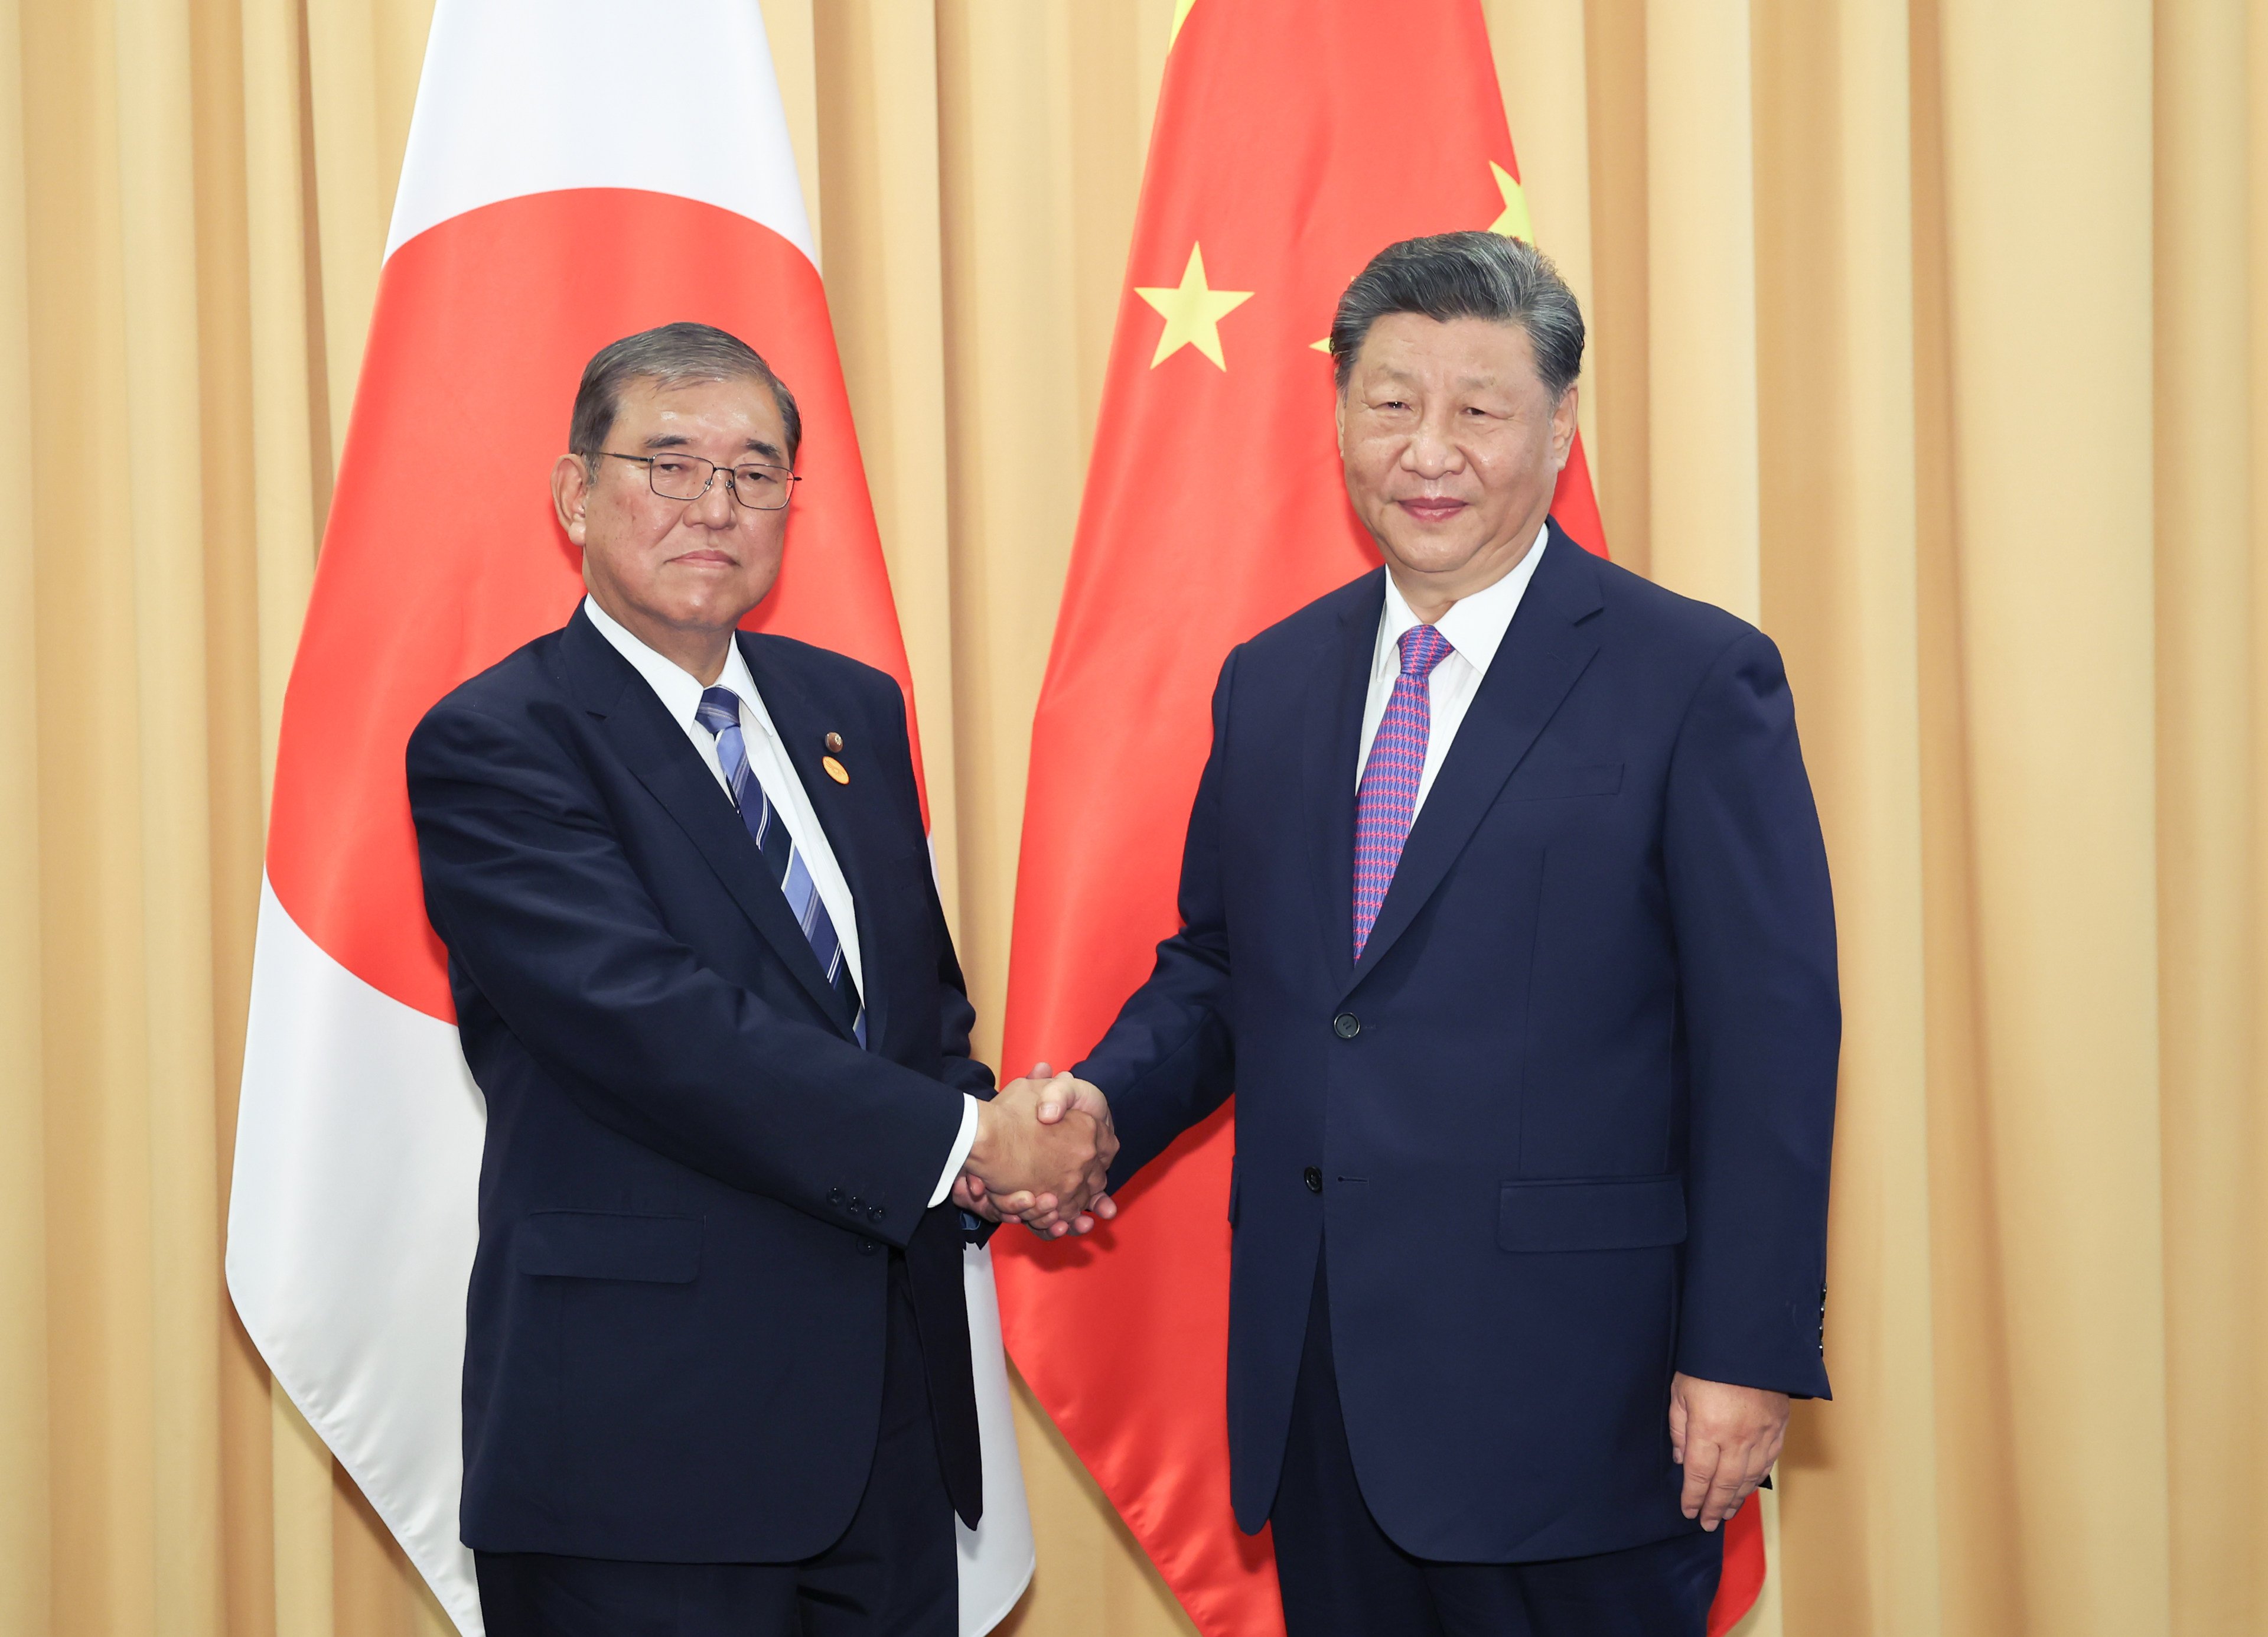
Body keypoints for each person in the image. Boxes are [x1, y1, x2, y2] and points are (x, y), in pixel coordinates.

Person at [1008, 233, 1839, 1636]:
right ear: (1339, 415)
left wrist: (1745, 1356)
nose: (1429, 450)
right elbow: (1227, 965)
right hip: (1328, 1384)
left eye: (1480, 408)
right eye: (1391, 403)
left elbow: (1769, 1037)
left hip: (1588, 1402)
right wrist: (1097, 1107)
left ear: (1560, 430)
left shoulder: (1694, 677)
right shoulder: (1273, 681)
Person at [406, 322, 1112, 1636]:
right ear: (574, 494)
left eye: (755, 470)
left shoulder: (850, 708)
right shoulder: (497, 743)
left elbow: (918, 1018)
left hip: (884, 1447)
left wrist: (997, 1155)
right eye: (667, 464)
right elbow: (658, 1028)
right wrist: (970, 1140)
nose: (714, 506)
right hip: (640, 1459)